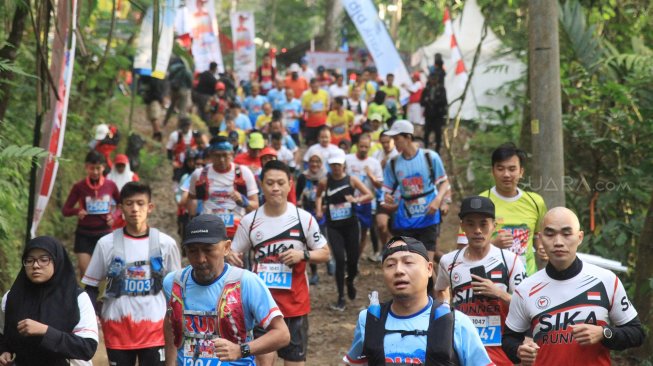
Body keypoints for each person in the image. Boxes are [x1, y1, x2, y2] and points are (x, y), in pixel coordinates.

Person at [502, 207, 645, 365]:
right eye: (550, 234)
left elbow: (637, 333)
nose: (558, 242)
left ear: (580, 237)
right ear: (541, 238)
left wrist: (605, 333)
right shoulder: (525, 289)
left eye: (566, 233)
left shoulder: (606, 280)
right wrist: (519, 350)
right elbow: (509, 339)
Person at [230, 161, 330, 366]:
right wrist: (230, 256)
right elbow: (233, 251)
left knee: (294, 362)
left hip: (295, 304)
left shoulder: (303, 219)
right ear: (261, 184)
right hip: (261, 305)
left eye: (280, 183)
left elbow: (326, 253)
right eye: (270, 183)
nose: (275, 188)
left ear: (290, 184)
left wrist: (303, 255)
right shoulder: (250, 221)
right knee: (263, 362)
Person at [343, 236, 493, 365]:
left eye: (408, 263)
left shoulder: (457, 323)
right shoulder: (368, 320)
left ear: (429, 269)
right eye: (390, 265)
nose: (399, 271)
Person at [163, 215, 290, 365]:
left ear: (226, 248)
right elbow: (170, 322)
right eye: (192, 251)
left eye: (208, 250)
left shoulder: (246, 282)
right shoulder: (174, 282)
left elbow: (282, 334)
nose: (201, 258)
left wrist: (240, 350)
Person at [82, 182, 181, 365]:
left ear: (150, 207)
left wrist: (176, 322)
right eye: (129, 203)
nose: (135, 209)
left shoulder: (166, 244)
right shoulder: (106, 244)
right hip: (117, 328)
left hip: (156, 328)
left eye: (140, 203)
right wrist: (91, 317)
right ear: (120, 208)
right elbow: (91, 286)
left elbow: (176, 289)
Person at [435, 196, 526, 365]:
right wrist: (446, 311)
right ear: (462, 226)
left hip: (500, 350)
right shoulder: (449, 262)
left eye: (483, 224)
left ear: (494, 226)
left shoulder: (510, 260)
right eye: (470, 223)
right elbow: (440, 290)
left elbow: (526, 306)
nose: (477, 230)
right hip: (462, 347)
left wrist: (499, 293)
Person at [0, 236, 98, 366]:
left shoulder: (77, 298)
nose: (35, 265)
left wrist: (46, 332)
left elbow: (87, 348)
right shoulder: (11, 298)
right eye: (29, 260)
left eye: (44, 260)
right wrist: (4, 351)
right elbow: (3, 335)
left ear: (57, 261)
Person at [457, 143, 547, 275]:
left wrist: (541, 248)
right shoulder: (479, 203)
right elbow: (461, 250)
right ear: (492, 170)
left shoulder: (535, 202)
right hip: (489, 280)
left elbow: (539, 235)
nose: (506, 174)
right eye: (500, 168)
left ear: (521, 171)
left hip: (526, 281)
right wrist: (492, 244)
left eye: (512, 169)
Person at [382, 120, 450, 264]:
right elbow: (387, 191)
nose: (394, 143)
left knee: (426, 264)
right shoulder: (392, 163)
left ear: (408, 137)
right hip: (406, 220)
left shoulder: (430, 157)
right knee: (413, 264)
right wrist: (388, 199)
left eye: (397, 139)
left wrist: (438, 201)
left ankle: (439, 283)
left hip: (428, 217)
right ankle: (436, 285)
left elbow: (444, 182)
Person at [315, 149, 373, 311]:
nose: (336, 168)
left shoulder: (352, 180)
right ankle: (341, 297)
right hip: (334, 226)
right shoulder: (324, 182)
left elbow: (369, 194)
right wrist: (319, 209)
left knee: (353, 260)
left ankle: (350, 281)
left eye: (338, 165)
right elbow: (318, 195)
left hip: (351, 225)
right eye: (333, 165)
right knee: (340, 260)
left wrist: (356, 199)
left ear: (344, 166)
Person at [62, 150, 121, 276]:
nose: (95, 172)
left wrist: (114, 216)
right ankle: (89, 296)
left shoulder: (111, 185)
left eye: (98, 168)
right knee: (86, 272)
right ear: (86, 167)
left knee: (105, 272)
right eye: (91, 168)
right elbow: (65, 210)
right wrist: (77, 211)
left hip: (104, 232)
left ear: (103, 167)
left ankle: (101, 295)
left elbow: (121, 205)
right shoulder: (79, 186)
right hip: (84, 234)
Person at [189, 136, 259, 239]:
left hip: (236, 228)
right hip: (209, 228)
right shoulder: (199, 174)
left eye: (225, 155)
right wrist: (193, 221)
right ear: (210, 155)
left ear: (232, 154)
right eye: (217, 156)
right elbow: (192, 198)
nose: (222, 160)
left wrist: (244, 202)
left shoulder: (244, 173)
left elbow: (256, 206)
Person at [345, 134, 383, 260]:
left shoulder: (374, 163)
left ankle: (356, 259)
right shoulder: (347, 159)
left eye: (366, 147)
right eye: (361, 146)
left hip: (367, 203)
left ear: (369, 147)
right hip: (349, 202)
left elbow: (379, 186)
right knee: (350, 232)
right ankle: (348, 256)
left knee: (363, 234)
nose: (363, 149)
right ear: (356, 146)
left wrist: (371, 176)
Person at [166, 117, 206, 182]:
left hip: (193, 163)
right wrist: (172, 162)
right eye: (184, 126)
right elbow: (169, 150)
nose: (186, 128)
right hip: (180, 165)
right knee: (179, 180)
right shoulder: (175, 136)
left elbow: (204, 145)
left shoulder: (194, 134)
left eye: (188, 126)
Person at [421, 72, 448, 152]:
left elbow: (444, 101)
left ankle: (437, 150)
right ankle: (425, 148)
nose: (433, 81)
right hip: (428, 115)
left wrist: (434, 102)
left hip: (438, 115)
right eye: (432, 79)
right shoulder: (426, 90)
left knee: (438, 133)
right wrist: (427, 101)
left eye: (435, 79)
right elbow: (421, 102)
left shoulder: (441, 89)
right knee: (426, 132)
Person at [164, 56, 193, 126]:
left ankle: (165, 122)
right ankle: (180, 126)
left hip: (174, 89)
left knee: (171, 105)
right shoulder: (187, 70)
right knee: (182, 109)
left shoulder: (174, 68)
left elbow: (169, 77)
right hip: (183, 90)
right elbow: (190, 82)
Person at [301, 78, 330, 146]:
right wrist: (310, 110)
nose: (315, 88)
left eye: (316, 87)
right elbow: (303, 107)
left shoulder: (324, 93)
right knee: (311, 142)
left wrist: (323, 109)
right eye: (313, 87)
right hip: (311, 123)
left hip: (322, 122)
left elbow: (328, 106)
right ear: (310, 86)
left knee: (322, 140)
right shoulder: (306, 95)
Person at [139, 75, 165, 140]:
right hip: (151, 99)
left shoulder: (154, 78)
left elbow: (157, 90)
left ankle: (158, 133)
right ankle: (156, 132)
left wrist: (160, 99)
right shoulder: (150, 77)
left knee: (154, 117)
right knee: (151, 117)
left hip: (153, 99)